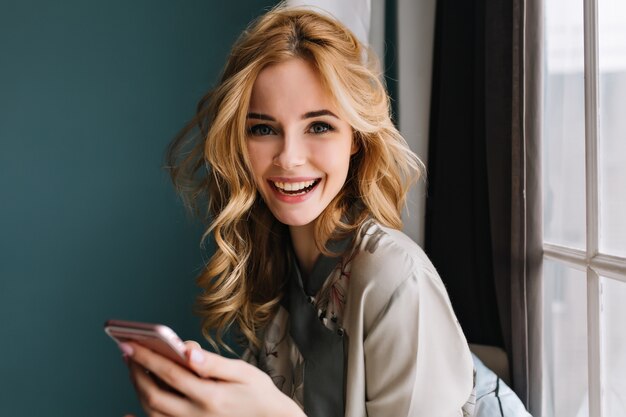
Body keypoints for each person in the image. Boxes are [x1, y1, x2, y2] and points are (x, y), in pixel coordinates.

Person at [119, 5, 475, 417]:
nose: (288, 158)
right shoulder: (279, 264)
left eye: (319, 126)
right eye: (263, 129)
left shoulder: (394, 278)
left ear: (356, 137)